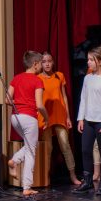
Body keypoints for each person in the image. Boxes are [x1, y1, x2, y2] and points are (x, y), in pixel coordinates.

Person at [8, 51, 49, 196]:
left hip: (15, 118)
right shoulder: (37, 80)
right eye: (41, 63)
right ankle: (26, 187)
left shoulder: (16, 78)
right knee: (31, 151)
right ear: (35, 64)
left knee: (29, 145)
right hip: (29, 118)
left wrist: (19, 102)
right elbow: (39, 105)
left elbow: (7, 99)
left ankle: (15, 160)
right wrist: (46, 117)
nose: (42, 66)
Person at [39, 51, 79, 186]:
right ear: (40, 64)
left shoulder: (59, 76)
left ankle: (73, 175)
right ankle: (46, 176)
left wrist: (68, 116)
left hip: (60, 115)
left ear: (53, 62)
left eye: (49, 61)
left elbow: (64, 97)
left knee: (65, 145)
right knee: (48, 148)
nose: (47, 64)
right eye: (44, 61)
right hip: (45, 117)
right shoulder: (38, 78)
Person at [74, 46, 101, 194]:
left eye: (91, 60)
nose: (88, 62)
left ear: (100, 61)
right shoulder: (87, 78)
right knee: (85, 149)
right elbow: (83, 98)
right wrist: (80, 118)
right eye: (88, 59)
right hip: (88, 119)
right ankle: (88, 181)